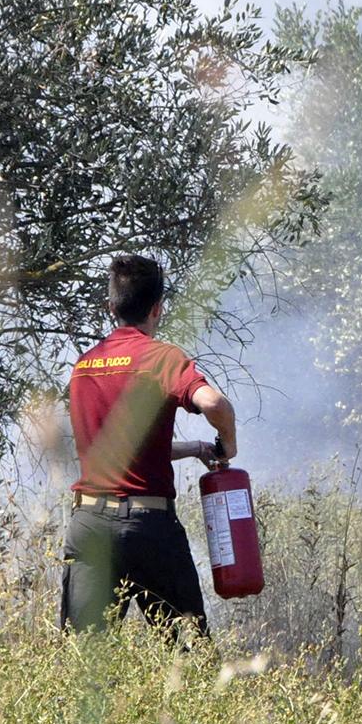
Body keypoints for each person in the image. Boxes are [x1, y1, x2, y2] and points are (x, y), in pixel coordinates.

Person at [62, 254, 237, 634]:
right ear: (157, 309)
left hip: (89, 525)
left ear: (111, 308)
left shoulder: (83, 366)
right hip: (148, 528)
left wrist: (192, 448)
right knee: (189, 657)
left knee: (84, 662)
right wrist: (229, 443)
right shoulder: (161, 358)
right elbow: (215, 404)